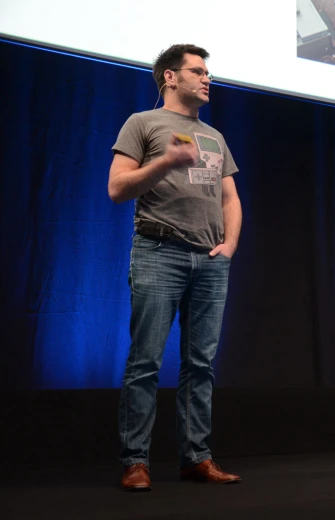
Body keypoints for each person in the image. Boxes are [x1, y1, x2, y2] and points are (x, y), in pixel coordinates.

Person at [108, 44, 243, 491]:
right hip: (159, 251)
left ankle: (196, 458)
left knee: (200, 364)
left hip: (208, 262)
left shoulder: (215, 136)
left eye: (208, 72)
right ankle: (135, 462)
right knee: (145, 360)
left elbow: (230, 199)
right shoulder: (143, 124)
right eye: (197, 71)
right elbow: (116, 188)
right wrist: (166, 160)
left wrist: (229, 246)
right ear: (170, 77)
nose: (207, 79)